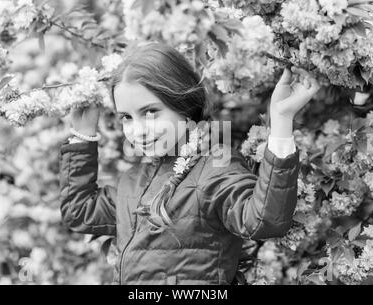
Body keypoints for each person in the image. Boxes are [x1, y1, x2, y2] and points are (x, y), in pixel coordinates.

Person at [59, 42, 320, 285]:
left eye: (150, 112)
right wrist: (82, 134)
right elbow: (79, 211)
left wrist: (282, 120)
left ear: (183, 106)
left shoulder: (214, 167)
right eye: (127, 117)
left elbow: (263, 220)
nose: (138, 130)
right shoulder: (132, 180)